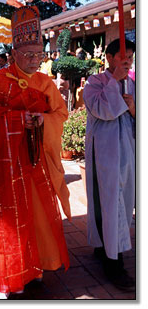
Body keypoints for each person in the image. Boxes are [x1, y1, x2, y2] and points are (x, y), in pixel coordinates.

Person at [0, 6, 71, 299]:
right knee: (10, 221)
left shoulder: (45, 82)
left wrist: (40, 120)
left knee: (36, 217)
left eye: (39, 55)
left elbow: (60, 115)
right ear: (14, 54)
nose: (35, 61)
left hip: (36, 163)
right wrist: (14, 119)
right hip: (7, 166)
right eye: (28, 56)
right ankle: (11, 276)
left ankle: (35, 269)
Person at [83, 38, 135, 290]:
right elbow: (103, 110)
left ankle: (106, 246)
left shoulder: (134, 84)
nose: (128, 63)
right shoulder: (95, 83)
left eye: (131, 59)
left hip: (126, 150)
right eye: (123, 58)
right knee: (109, 201)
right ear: (110, 57)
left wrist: (134, 108)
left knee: (123, 202)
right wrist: (114, 81)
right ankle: (114, 263)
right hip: (104, 153)